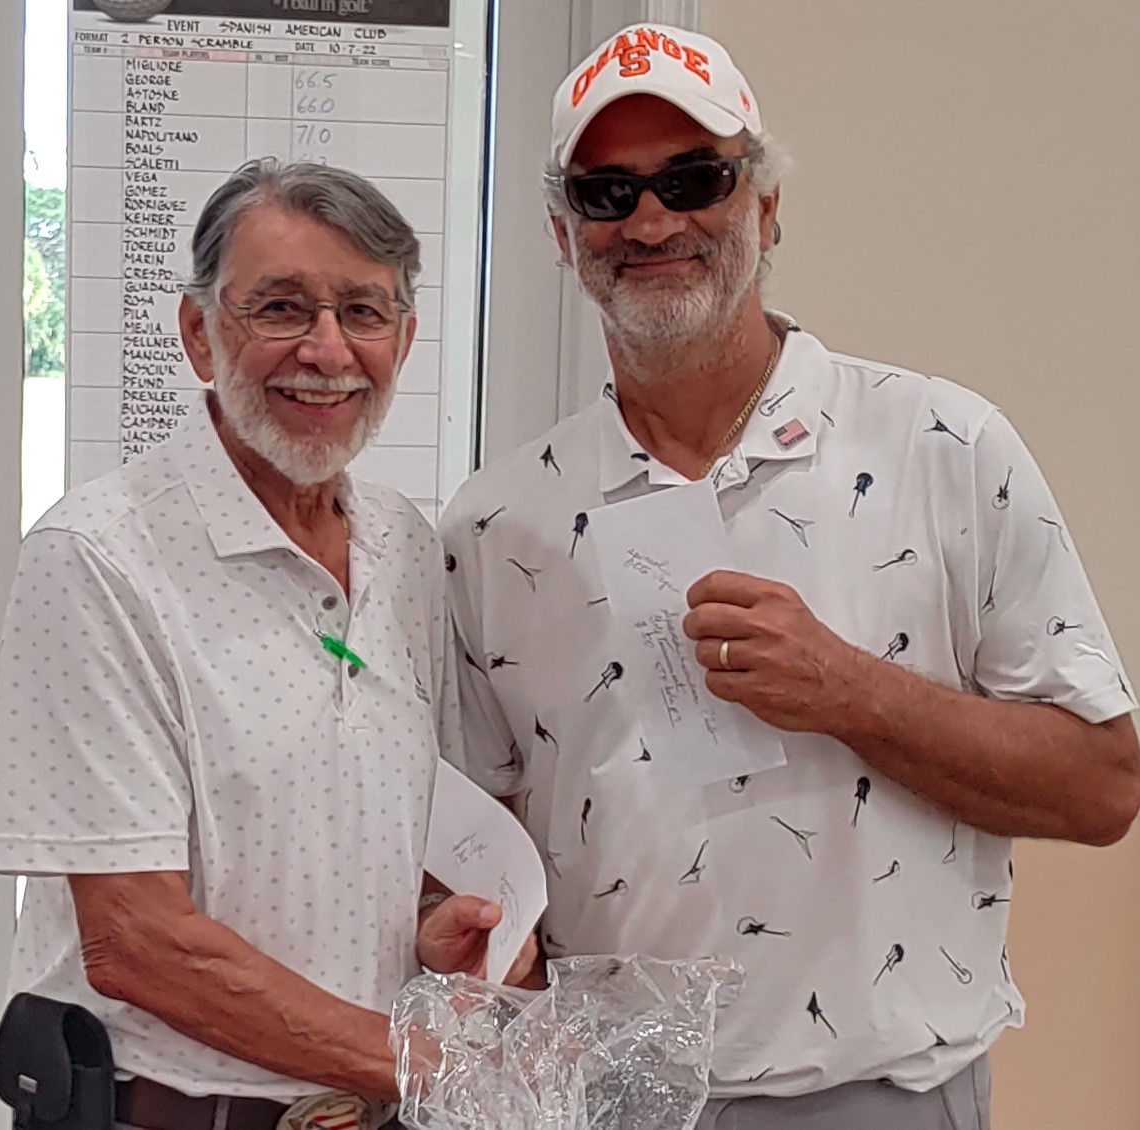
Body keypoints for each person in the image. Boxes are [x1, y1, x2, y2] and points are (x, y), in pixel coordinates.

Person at [440, 23, 1140, 1130]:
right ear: (561, 236)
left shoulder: (942, 446)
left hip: (876, 1095)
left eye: (694, 178)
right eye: (606, 193)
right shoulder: (494, 522)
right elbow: (483, 840)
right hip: (605, 1096)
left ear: (765, 206)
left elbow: (1102, 787)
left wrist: (849, 689)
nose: (651, 222)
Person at [0, 158, 533, 1130]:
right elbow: (135, 941)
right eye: (279, 308)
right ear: (199, 333)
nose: (326, 349)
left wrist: (426, 932)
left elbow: (375, 844)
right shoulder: (100, 555)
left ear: (403, 340)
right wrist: (426, 1065)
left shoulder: (405, 546)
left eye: (362, 311)